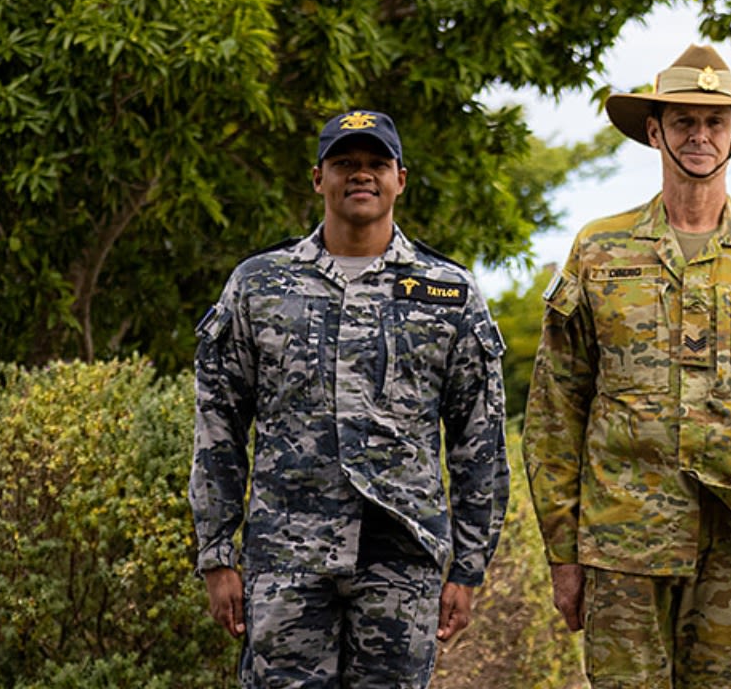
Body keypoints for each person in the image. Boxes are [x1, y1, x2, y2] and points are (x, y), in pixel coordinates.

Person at [528, 45, 731, 687]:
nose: (699, 136)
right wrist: (564, 553)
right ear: (654, 131)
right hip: (622, 544)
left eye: (714, 123)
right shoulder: (599, 248)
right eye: (682, 122)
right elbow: (556, 409)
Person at [191, 108, 508, 688]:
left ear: (400, 179)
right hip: (287, 557)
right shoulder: (260, 285)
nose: (360, 175)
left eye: (375, 164)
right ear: (319, 179)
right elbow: (218, 429)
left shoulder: (448, 294)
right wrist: (216, 554)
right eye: (344, 163)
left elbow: (478, 442)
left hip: (401, 560)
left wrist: (468, 568)